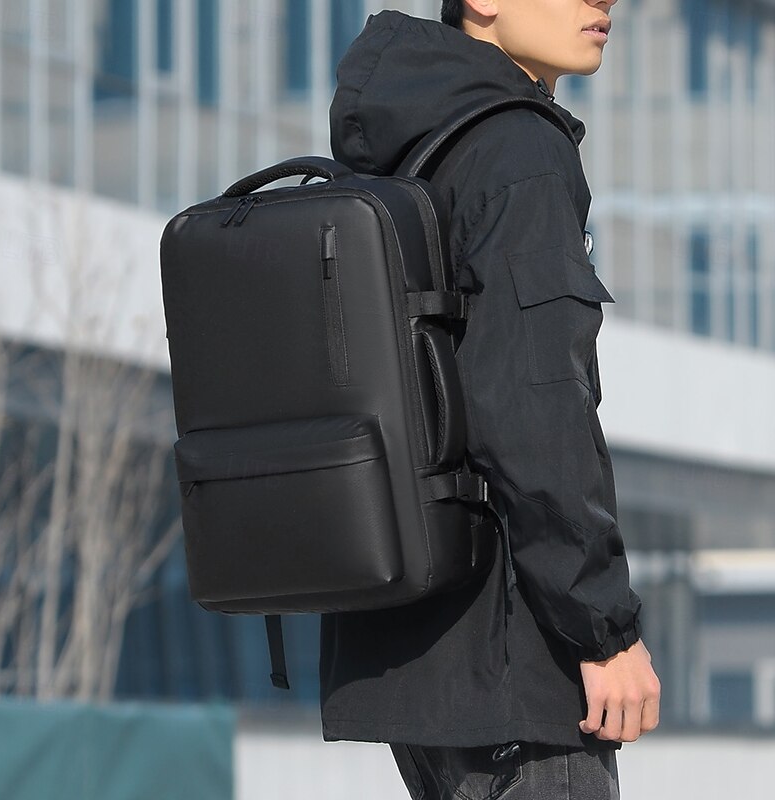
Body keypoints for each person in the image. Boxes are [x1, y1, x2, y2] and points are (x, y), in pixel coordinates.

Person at [319, 1, 661, 797]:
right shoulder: (518, 148)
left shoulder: (408, 148)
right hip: (515, 660)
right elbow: (533, 406)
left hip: (416, 648)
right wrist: (604, 629)